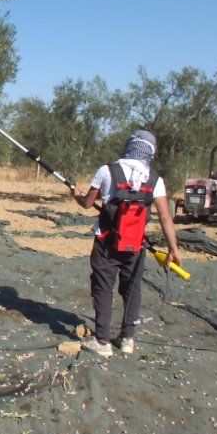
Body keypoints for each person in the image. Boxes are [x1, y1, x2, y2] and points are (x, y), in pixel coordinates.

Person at [72, 129, 182, 358]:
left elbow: (87, 203)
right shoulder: (155, 180)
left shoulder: (106, 171)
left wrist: (77, 195)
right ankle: (127, 338)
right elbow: (164, 217)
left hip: (106, 243)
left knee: (103, 287)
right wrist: (174, 248)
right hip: (136, 246)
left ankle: (102, 340)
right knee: (132, 289)